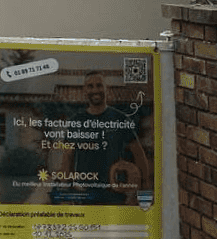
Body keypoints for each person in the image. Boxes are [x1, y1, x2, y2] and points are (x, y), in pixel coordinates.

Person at [61, 70, 151, 205]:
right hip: (84, 194)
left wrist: (144, 189)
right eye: (90, 86)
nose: (95, 90)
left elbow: (139, 154)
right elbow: (67, 158)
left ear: (106, 88)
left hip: (115, 194)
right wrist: (66, 192)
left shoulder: (120, 119)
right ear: (85, 90)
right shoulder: (76, 121)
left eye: (99, 85)